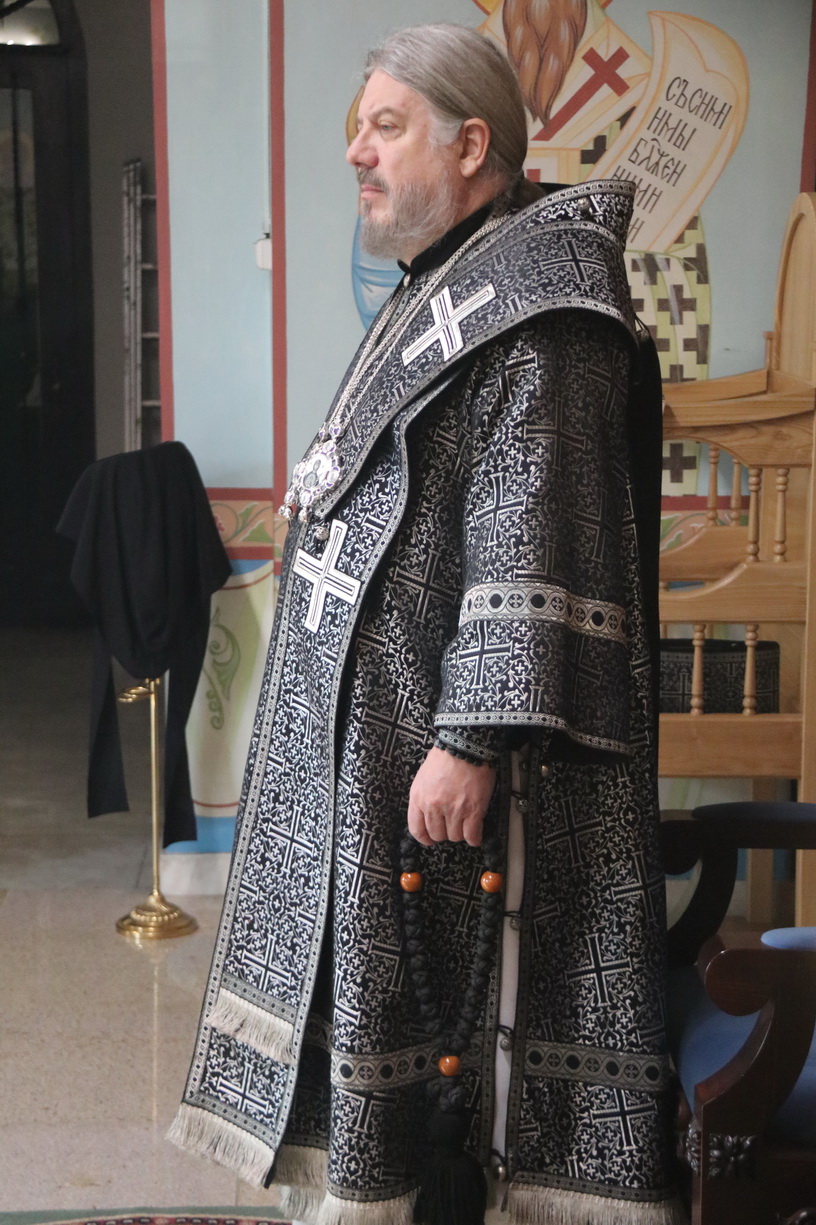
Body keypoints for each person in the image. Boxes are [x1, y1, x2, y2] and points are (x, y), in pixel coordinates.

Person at [170, 23, 680, 1225]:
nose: (356, 151)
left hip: (453, 779)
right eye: (357, 127)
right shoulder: (448, 282)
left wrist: (469, 740)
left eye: (385, 126)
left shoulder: (543, 306)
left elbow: (531, 526)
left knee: (456, 1080)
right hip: (379, 759)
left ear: (470, 144)